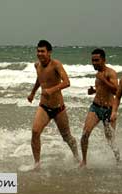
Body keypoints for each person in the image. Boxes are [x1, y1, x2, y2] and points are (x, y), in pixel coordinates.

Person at [27, 40, 79, 170]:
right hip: (44, 106)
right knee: (35, 131)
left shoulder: (56, 65)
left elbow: (67, 82)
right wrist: (33, 93)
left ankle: (77, 157)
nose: (40, 54)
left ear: (49, 52)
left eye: (43, 51)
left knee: (67, 137)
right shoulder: (37, 65)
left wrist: (51, 90)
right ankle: (37, 164)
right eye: (38, 51)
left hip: (58, 108)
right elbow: (40, 79)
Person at [79, 49, 120, 168]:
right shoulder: (98, 74)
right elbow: (102, 89)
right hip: (96, 107)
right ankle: (84, 162)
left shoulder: (110, 73)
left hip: (109, 110)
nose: (94, 62)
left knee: (110, 139)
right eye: (93, 60)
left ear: (104, 60)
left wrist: (103, 79)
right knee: (85, 134)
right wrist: (93, 91)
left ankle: (118, 160)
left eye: (97, 60)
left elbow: (115, 90)